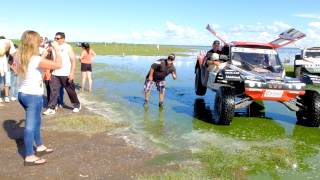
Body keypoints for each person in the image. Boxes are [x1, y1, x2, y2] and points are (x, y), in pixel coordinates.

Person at [17, 30, 62, 166]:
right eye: (39, 40)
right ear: (34, 42)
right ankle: (29, 156)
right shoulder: (35, 59)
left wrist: (43, 54)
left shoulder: (22, 56)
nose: (41, 41)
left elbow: (35, 64)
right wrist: (57, 49)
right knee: (31, 126)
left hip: (23, 94)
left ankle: (40, 146)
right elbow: (58, 65)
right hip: (33, 96)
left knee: (36, 122)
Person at [43, 32, 81, 115]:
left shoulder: (67, 47)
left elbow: (73, 60)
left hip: (66, 73)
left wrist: (72, 73)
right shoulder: (52, 47)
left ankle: (77, 105)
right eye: (55, 38)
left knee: (70, 91)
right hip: (55, 73)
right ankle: (51, 108)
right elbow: (50, 58)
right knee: (53, 91)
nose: (56, 40)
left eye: (58, 38)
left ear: (63, 39)